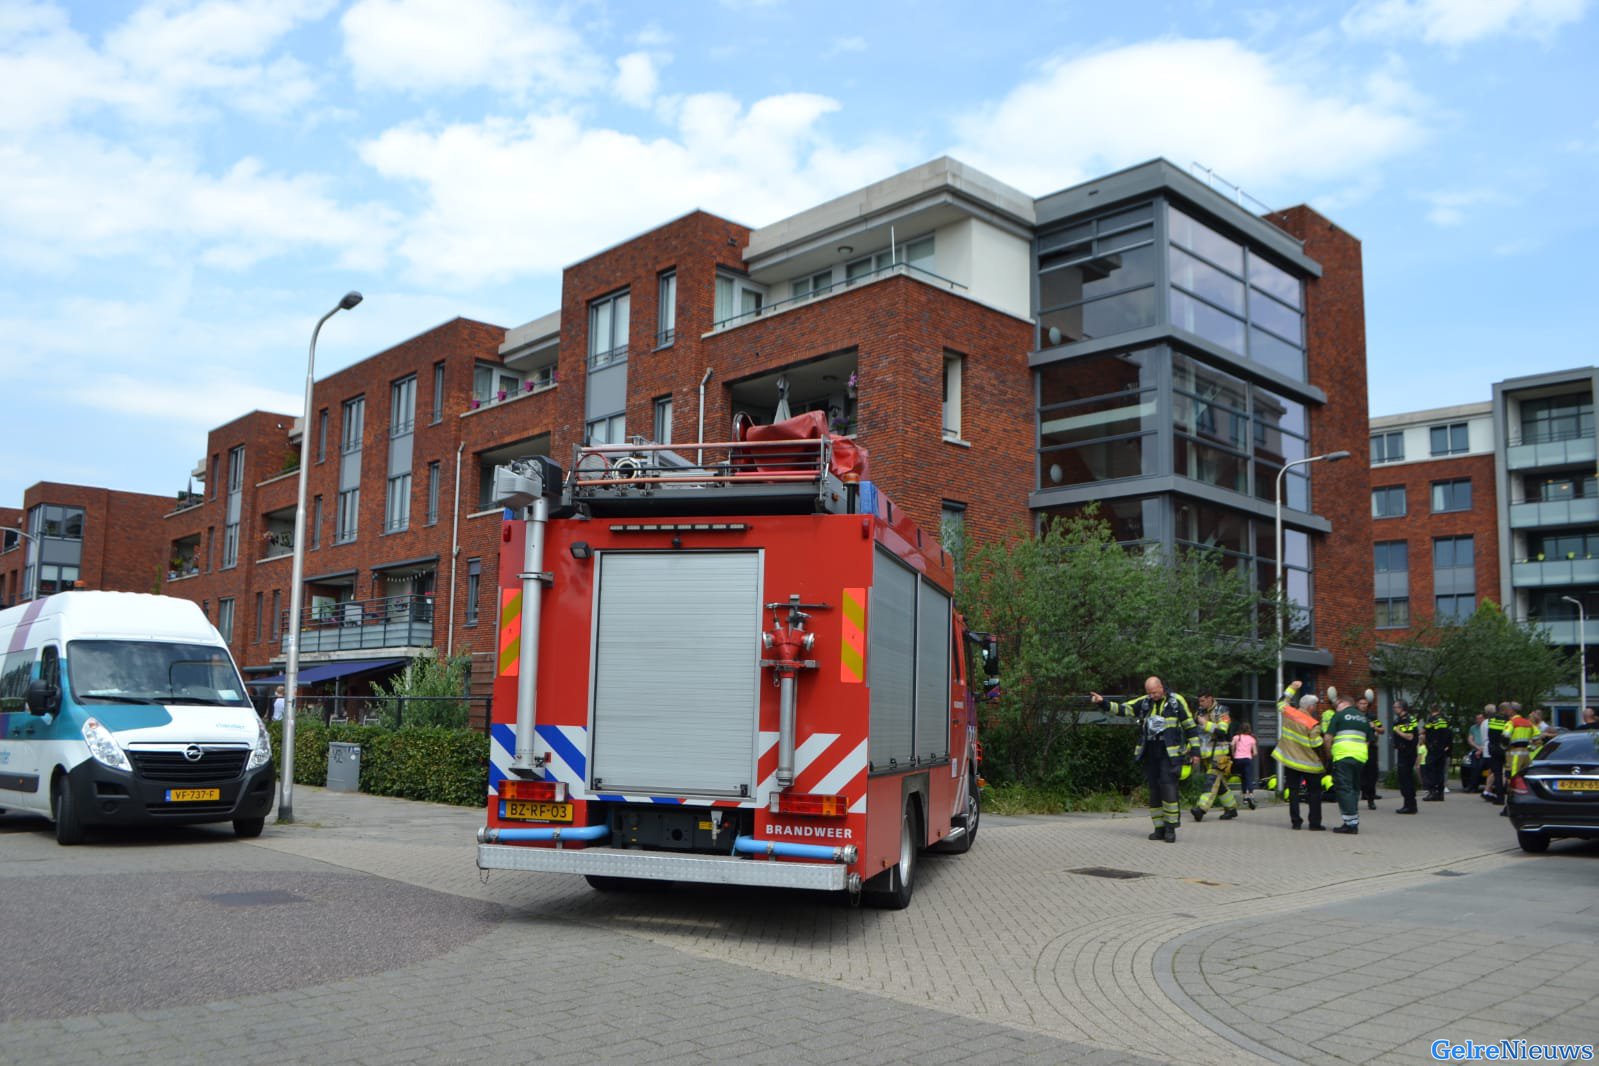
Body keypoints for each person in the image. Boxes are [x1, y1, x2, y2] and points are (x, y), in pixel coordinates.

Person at [1091, 677, 1200, 843]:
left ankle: (1170, 829)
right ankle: (1159, 828)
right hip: (1150, 752)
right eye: (1149, 693)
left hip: (1170, 754)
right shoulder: (1145, 702)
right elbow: (1123, 709)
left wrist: (1196, 752)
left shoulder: (1176, 702)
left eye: (1155, 692)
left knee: (1168, 788)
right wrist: (1102, 702)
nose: (1152, 696)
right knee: (1154, 790)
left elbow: (1190, 727)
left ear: (1162, 687)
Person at [1271, 681, 1326, 831]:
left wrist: (1292, 688)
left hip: (1290, 760)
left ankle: (1296, 822)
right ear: (1311, 707)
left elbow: (1281, 702)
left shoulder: (1289, 712)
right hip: (1309, 764)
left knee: (1293, 791)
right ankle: (1315, 823)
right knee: (1314, 793)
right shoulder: (1313, 723)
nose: (1315, 709)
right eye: (1314, 706)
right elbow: (1316, 745)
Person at [1325, 695, 1373, 834]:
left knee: (1344, 789)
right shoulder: (1364, 719)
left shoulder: (1339, 716)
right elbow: (1368, 741)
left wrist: (1329, 754)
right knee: (1354, 789)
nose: (1335, 708)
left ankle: (1350, 824)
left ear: (1343, 703)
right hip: (1360, 758)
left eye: (1337, 705)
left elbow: (1328, 738)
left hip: (1342, 756)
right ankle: (1353, 819)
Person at [1191, 693, 1238, 822]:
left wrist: (1204, 723)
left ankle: (1201, 809)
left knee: (1211, 780)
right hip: (1206, 754)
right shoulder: (1199, 712)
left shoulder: (1222, 711)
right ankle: (1231, 808)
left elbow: (1222, 730)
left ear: (1210, 698)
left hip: (1220, 753)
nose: (1200, 704)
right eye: (1199, 701)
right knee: (1220, 784)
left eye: (1203, 701)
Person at [1501, 704, 1540, 817]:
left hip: (1514, 754)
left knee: (1511, 778)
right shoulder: (1528, 723)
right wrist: (1529, 748)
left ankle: (1508, 807)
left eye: (1508, 710)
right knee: (1524, 780)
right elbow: (1538, 737)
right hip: (1526, 755)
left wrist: (1504, 748)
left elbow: (1505, 736)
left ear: (1512, 711)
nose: (1507, 712)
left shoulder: (1511, 723)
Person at [1391, 700, 1420, 814]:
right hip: (1404, 752)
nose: (1394, 709)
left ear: (1402, 708)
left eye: (1396, 707)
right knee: (1405, 779)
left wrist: (1397, 731)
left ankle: (1410, 805)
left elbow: (1410, 737)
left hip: (1407, 753)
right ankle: (1409, 804)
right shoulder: (1401, 719)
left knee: (1406, 779)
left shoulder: (1407, 720)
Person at [1358, 691, 1385, 810]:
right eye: (1361, 703)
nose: (1364, 705)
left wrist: (1375, 727)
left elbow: (1382, 730)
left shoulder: (1372, 716)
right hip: (1358, 747)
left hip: (1371, 748)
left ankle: (1371, 799)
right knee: (1359, 773)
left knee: (1371, 773)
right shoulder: (1355, 716)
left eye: (1365, 703)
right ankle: (1362, 793)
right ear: (1357, 704)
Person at [1421, 705, 1453, 802]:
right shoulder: (1444, 720)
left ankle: (1432, 792)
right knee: (1440, 771)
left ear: (1431, 711)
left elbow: (1424, 730)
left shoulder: (1432, 720)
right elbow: (1449, 733)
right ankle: (1440, 793)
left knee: (1430, 770)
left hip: (1433, 749)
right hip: (1442, 749)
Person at [1483, 702, 1512, 802]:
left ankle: (1500, 797)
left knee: (1497, 773)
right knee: (1508, 773)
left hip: (1494, 748)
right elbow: (1507, 735)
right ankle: (1508, 794)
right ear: (1505, 710)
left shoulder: (1492, 719)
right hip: (1505, 749)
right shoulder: (1508, 720)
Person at [1230, 722, 1258, 810]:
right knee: (1248, 777)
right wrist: (1250, 755)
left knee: (1243, 777)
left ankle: (1245, 797)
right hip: (1247, 759)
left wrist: (1233, 753)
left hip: (1238, 760)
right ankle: (1251, 795)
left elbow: (1231, 745)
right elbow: (1255, 752)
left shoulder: (1236, 737)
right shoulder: (1252, 739)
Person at [1461, 709, 1490, 792]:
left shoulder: (1487, 726)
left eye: (1480, 718)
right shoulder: (1473, 728)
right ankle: (1472, 786)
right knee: (1473, 766)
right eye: (1477, 719)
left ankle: (1473, 786)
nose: (1478, 720)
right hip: (1476, 750)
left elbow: (1489, 739)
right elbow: (1470, 740)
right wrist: (1477, 748)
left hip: (1486, 751)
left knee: (1480, 766)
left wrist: (1481, 750)